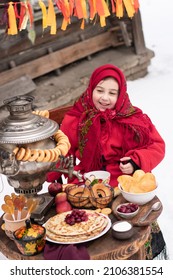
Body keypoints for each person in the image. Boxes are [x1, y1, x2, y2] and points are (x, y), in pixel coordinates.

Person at [47, 64, 168, 259]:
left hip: (121, 182)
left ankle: (134, 259)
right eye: (99, 90)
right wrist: (50, 174)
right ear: (91, 89)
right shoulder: (78, 117)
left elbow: (156, 146)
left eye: (112, 93)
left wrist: (135, 162)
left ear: (120, 95)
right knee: (84, 226)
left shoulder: (133, 118)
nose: (105, 98)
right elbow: (64, 149)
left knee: (129, 221)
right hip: (85, 180)